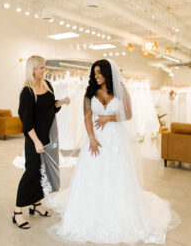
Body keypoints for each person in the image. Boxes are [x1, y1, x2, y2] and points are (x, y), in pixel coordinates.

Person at [48, 59, 175, 244]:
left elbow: (129, 114)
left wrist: (109, 117)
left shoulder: (121, 90)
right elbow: (87, 116)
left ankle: (121, 210)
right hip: (96, 138)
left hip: (117, 139)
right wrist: (91, 138)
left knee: (119, 174)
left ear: (107, 73)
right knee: (93, 174)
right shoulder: (90, 92)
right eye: (94, 73)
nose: (96, 76)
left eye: (99, 72)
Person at [12, 55, 70, 229]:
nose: (44, 71)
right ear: (33, 70)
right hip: (34, 140)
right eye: (41, 68)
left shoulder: (47, 85)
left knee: (43, 172)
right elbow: (27, 122)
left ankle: (36, 204)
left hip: (49, 138)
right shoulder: (27, 92)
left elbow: (50, 107)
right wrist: (37, 142)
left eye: (44, 67)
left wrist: (61, 102)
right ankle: (17, 212)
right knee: (31, 173)